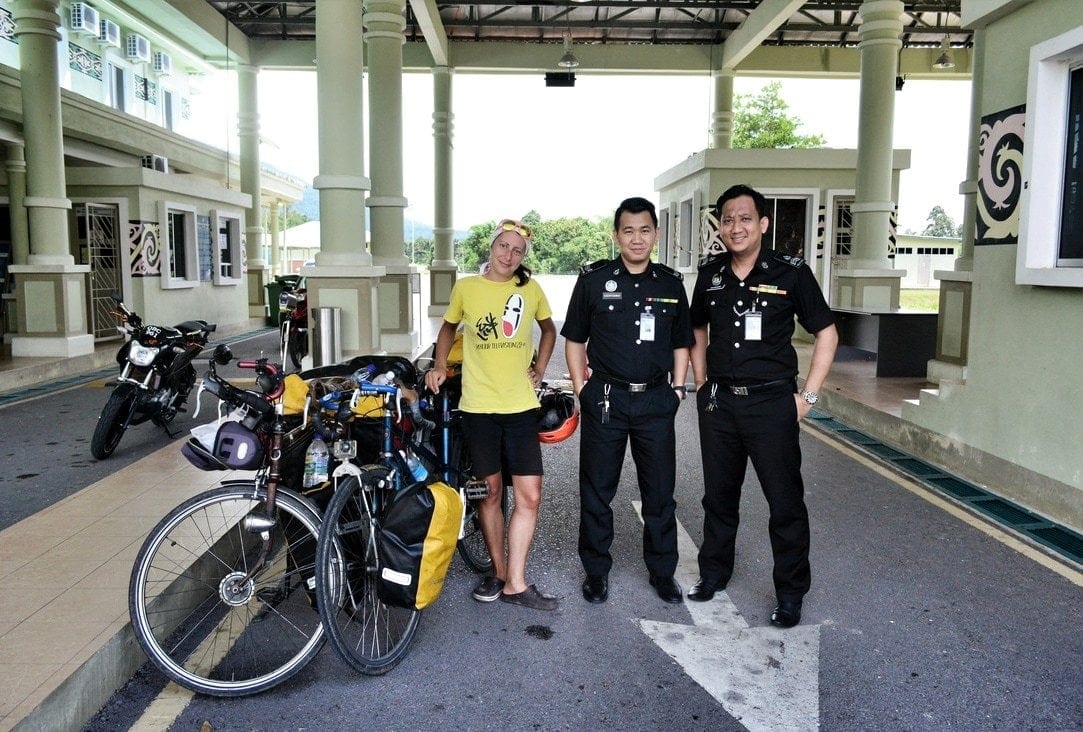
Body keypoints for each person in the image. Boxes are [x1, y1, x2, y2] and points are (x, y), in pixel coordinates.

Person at [687, 183, 838, 628]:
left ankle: (790, 594)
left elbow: (827, 332)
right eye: (728, 219)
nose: (736, 227)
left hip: (772, 402)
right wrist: (701, 382)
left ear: (763, 224)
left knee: (785, 503)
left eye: (745, 218)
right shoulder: (711, 273)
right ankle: (714, 573)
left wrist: (807, 397)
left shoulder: (790, 272)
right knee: (718, 497)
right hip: (720, 403)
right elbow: (697, 329)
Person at [561, 196, 694, 605]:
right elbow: (574, 340)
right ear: (617, 235)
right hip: (605, 398)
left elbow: (682, 342)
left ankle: (662, 572)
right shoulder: (594, 280)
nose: (637, 239)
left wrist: (677, 388)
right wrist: (581, 388)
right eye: (628, 230)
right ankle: (596, 571)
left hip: (656, 398)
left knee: (660, 492)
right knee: (597, 490)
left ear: (655, 234)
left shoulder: (671, 284)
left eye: (645, 230)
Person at [425, 218, 559, 611]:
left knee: (530, 496)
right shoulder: (467, 287)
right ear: (492, 246)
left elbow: (548, 330)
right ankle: (502, 574)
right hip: (479, 409)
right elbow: (448, 329)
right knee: (491, 492)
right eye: (504, 246)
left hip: (521, 407)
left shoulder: (531, 290)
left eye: (517, 251)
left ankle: (517, 580)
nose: (509, 255)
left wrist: (541, 367)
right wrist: (439, 365)